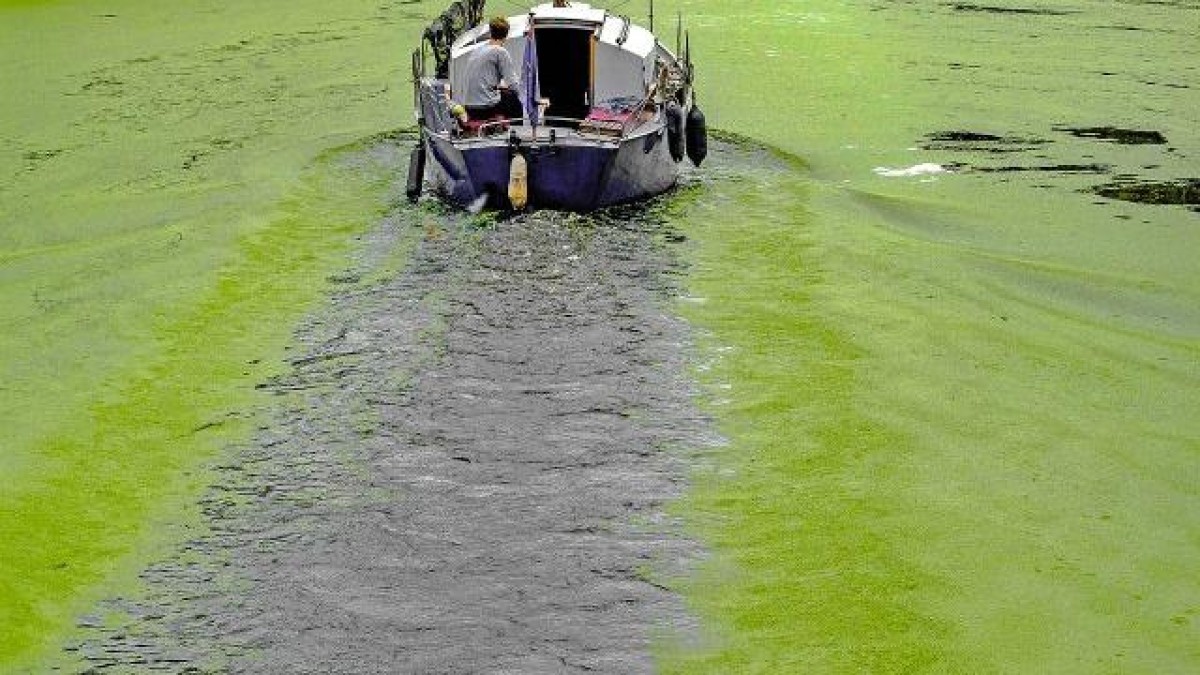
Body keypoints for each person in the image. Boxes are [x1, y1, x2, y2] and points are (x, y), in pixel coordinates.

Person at [461, 17, 523, 120]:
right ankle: (512, 131)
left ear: (490, 33)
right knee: (514, 100)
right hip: (486, 107)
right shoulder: (500, 52)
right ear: (506, 35)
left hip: (468, 106)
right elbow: (512, 84)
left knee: (503, 93)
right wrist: (530, 98)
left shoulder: (477, 50)